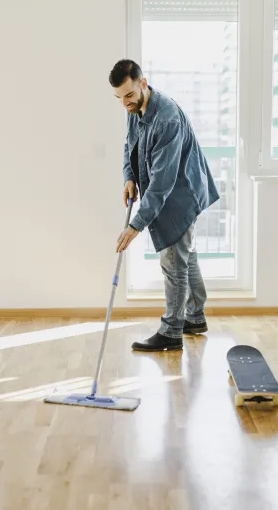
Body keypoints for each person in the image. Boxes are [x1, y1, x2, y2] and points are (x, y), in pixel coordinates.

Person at [109, 59, 220, 352]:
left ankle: (172, 331)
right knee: (185, 254)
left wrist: (135, 226)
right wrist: (129, 177)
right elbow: (128, 144)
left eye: (129, 95)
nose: (125, 103)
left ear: (143, 83)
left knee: (173, 261)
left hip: (180, 194)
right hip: (167, 191)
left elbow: (162, 182)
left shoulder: (167, 118)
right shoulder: (134, 109)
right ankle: (194, 317)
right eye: (119, 98)